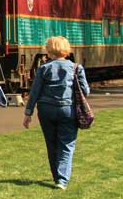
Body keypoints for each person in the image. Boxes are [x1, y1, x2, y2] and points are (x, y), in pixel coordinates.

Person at [22, 36, 89, 190]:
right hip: (68, 109)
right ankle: (62, 180)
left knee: (51, 144)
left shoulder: (43, 68)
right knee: (66, 144)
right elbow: (85, 91)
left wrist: (28, 113)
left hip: (46, 110)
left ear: (49, 50)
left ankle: (56, 175)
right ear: (66, 49)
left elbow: (35, 92)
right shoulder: (76, 68)